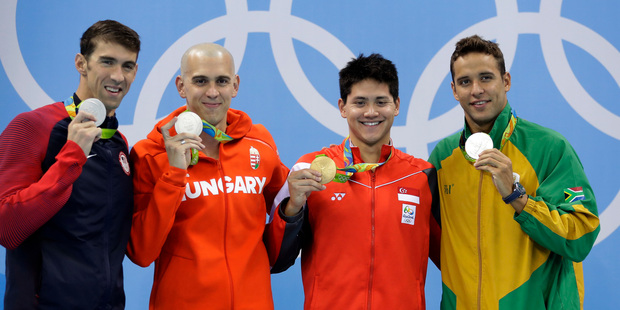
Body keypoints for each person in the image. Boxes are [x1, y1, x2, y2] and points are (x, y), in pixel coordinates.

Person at [428, 35, 600, 309]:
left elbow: (581, 236)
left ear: (505, 81)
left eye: (486, 78)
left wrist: (519, 198)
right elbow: (433, 240)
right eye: (465, 82)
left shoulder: (549, 148)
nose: (476, 90)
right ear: (454, 90)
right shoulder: (443, 158)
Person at [266, 53, 441, 309]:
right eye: (360, 102)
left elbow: (453, 262)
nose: (371, 112)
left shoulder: (421, 176)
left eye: (381, 101)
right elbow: (276, 260)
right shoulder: (310, 169)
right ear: (342, 107)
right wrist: (292, 209)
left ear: (396, 105)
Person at [127, 42, 289, 309]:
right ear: (181, 86)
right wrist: (174, 174)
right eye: (200, 81)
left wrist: (294, 204)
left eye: (222, 81)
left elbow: (283, 219)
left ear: (235, 85)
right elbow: (141, 253)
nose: (212, 92)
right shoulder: (150, 154)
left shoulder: (260, 143)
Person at [0, 20, 140, 309]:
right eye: (107, 62)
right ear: (81, 63)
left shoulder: (118, 143)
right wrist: (72, 156)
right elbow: (7, 229)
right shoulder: (32, 127)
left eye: (128, 66)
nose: (118, 76)